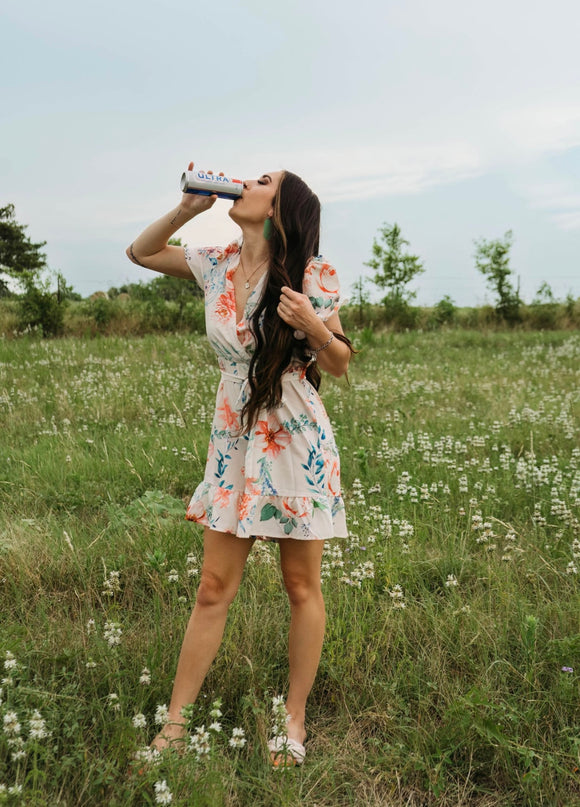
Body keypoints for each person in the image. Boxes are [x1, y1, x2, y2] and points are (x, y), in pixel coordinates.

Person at [126, 162, 354, 767]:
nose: (244, 184)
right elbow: (140, 253)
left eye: (261, 182)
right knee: (212, 588)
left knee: (301, 586)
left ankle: (294, 720)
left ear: (280, 210)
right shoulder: (217, 262)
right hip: (233, 439)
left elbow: (339, 364)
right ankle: (175, 726)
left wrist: (313, 325)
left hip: (294, 441)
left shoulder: (310, 274)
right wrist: (187, 210)